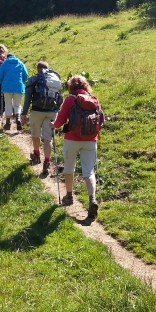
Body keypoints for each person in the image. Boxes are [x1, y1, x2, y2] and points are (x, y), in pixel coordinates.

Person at [53, 75, 103, 219]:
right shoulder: (94, 100)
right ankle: (92, 199)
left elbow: (60, 121)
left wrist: (53, 125)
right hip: (91, 140)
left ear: (71, 87)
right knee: (89, 171)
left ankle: (69, 196)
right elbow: (102, 120)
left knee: (69, 168)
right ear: (86, 85)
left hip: (72, 139)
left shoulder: (70, 100)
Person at [21, 61, 62, 177]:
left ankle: (36, 155)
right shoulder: (55, 79)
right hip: (52, 112)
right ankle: (47, 162)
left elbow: (28, 97)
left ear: (38, 69)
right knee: (48, 139)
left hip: (37, 111)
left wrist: (24, 113)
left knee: (36, 135)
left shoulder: (34, 79)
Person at [0, 49, 27, 130]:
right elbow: (25, 75)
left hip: (7, 87)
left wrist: (2, 82)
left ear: (7, 57)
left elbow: (0, 76)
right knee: (17, 105)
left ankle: (8, 123)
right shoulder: (20, 63)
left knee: (8, 104)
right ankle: (18, 118)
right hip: (19, 87)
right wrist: (22, 82)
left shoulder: (4, 64)